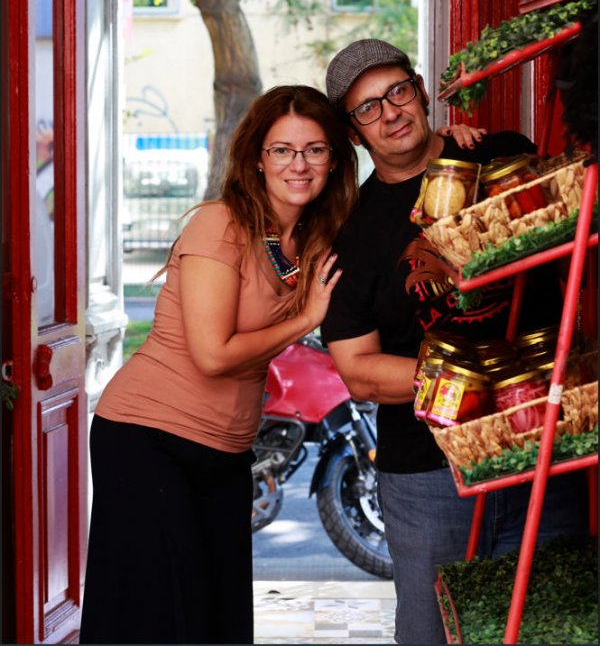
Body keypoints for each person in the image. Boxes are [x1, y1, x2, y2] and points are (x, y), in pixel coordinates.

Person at [320, 38, 589, 645]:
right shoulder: (356, 234)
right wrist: (480, 376)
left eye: (397, 92)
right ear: (354, 130)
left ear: (418, 90)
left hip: (542, 437)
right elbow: (359, 372)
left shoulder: (499, 156)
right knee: (432, 633)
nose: (389, 112)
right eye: (368, 108)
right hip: (427, 470)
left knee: (555, 625)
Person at [79, 85, 359, 645]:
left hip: (227, 452)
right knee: (160, 621)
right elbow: (212, 354)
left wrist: (448, 146)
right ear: (258, 157)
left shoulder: (308, 238)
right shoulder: (220, 224)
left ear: (334, 160)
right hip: (148, 439)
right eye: (282, 149)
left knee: (220, 621)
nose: (298, 164)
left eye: (315, 150)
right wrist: (305, 319)